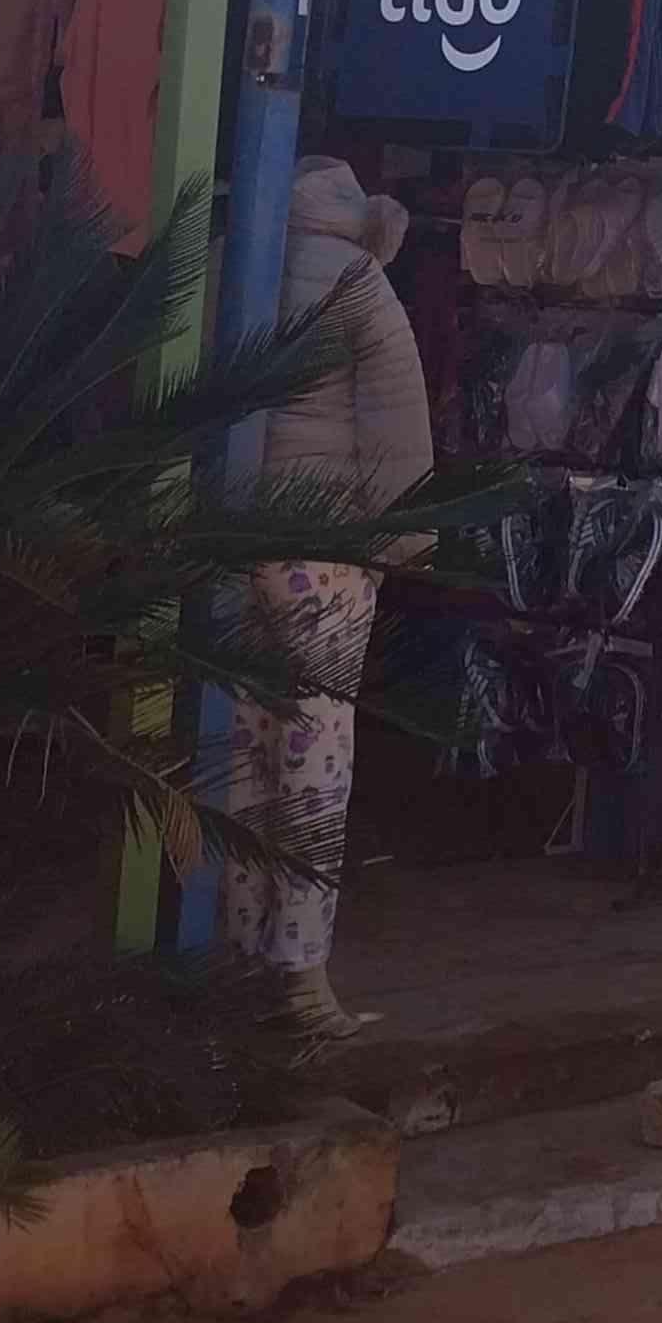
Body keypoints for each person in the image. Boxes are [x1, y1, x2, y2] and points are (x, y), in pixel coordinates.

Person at [234, 157, 435, 1036]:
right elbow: (397, 428)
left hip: (230, 543)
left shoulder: (237, 261)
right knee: (315, 758)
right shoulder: (360, 281)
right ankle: (303, 979)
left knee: (239, 751)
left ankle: (230, 952)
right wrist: (397, 548)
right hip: (324, 555)